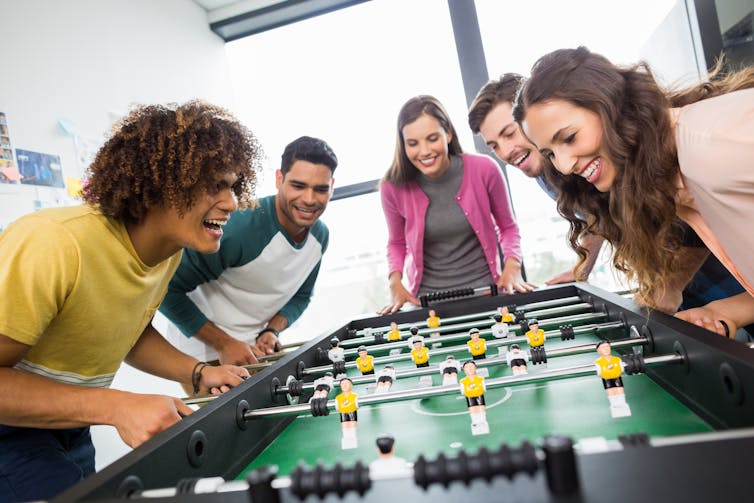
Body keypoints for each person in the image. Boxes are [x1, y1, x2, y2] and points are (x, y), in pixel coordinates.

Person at [0, 101, 258, 502]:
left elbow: (126, 330)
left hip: (68, 424)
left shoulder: (169, 251)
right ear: (160, 184)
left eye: (232, 185)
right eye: (214, 185)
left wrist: (197, 373)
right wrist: (117, 407)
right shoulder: (55, 243)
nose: (231, 202)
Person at [470, 73, 752, 326]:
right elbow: (595, 219)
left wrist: (671, 286)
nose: (505, 151)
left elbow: (691, 223)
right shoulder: (556, 170)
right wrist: (582, 268)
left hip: (716, 267)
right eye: (494, 145)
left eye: (509, 133)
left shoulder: (706, 146)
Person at [160, 136, 337, 366]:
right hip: (206, 352)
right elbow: (166, 290)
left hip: (254, 348)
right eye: (298, 186)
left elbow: (301, 296)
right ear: (279, 179)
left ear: (332, 186)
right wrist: (224, 344)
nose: (309, 199)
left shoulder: (320, 236)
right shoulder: (238, 228)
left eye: (320, 189)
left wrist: (272, 330)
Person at [379, 95, 534, 314]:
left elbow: (508, 228)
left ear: (448, 134)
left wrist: (512, 266)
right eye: (413, 143)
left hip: (489, 293)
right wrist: (395, 282)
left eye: (432, 138)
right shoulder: (392, 187)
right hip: (427, 303)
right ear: (403, 145)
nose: (424, 151)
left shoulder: (484, 169)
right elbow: (396, 242)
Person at [594, 340, 631, 418]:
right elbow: (599, 371)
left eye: (607, 346)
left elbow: (621, 368)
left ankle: (622, 406)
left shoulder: (616, 359)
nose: (606, 349)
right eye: (603, 347)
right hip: (607, 378)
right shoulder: (598, 362)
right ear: (598, 350)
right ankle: (615, 407)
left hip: (616, 377)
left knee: (619, 392)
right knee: (611, 393)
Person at [459, 360, 489, 435]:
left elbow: (483, 387)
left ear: (475, 368)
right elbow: (463, 390)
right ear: (464, 370)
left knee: (480, 408)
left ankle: (482, 422)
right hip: (469, 396)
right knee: (473, 409)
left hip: (479, 394)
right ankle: (475, 423)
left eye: (471, 366)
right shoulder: (463, 381)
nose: (470, 368)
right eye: (467, 367)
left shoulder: (480, 378)